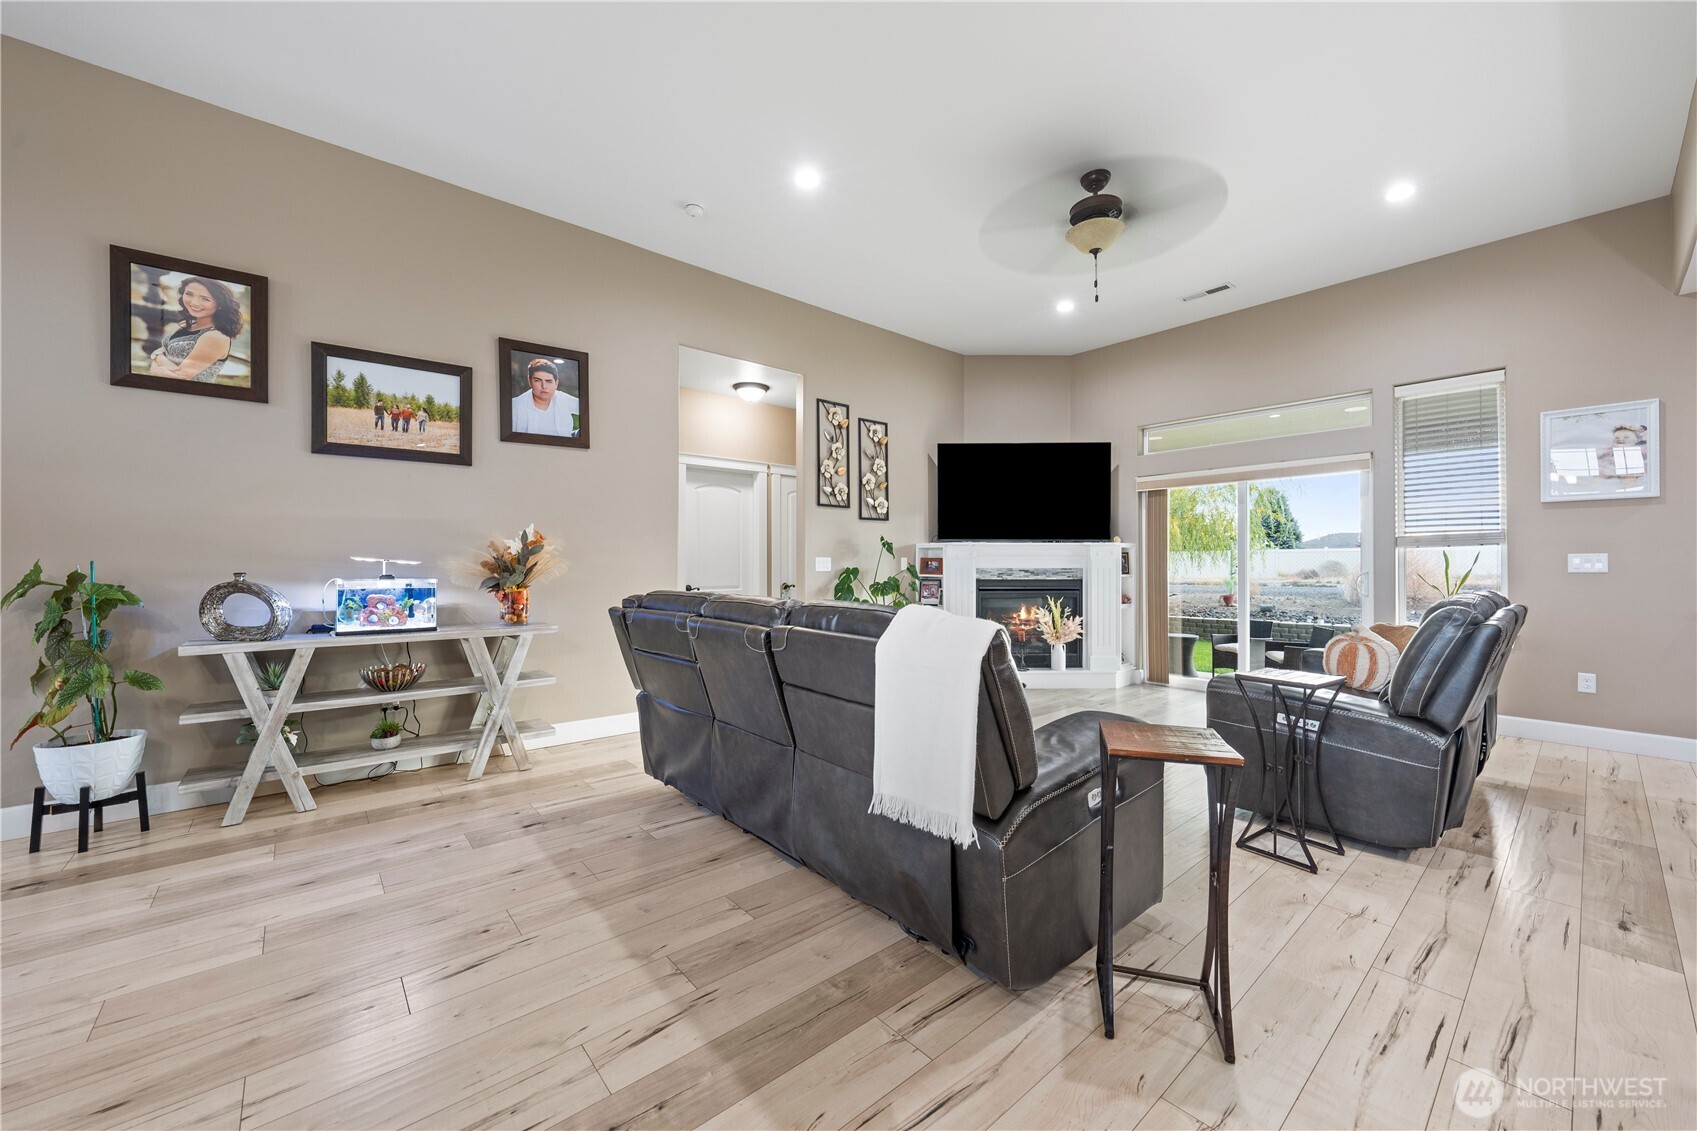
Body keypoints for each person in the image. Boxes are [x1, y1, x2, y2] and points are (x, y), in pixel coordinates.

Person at [148, 277, 242, 383]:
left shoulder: (215, 336)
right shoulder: (186, 325)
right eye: (189, 294)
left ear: (219, 304)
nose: (194, 302)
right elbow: (161, 351)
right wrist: (157, 356)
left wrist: (156, 368)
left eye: (205, 299)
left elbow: (181, 376)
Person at [509, 357, 579, 437]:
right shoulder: (515, 406)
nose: (544, 386)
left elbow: (589, 410)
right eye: (537, 380)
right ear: (529, 381)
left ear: (556, 383)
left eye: (549, 381)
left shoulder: (562, 398)